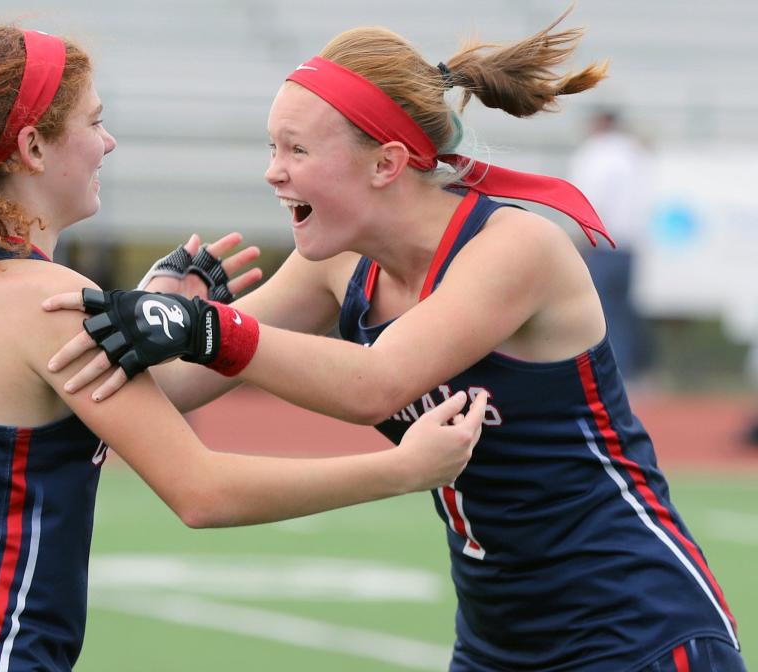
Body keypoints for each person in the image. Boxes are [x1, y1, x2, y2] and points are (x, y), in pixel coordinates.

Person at [45, 10, 746, 672]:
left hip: (640, 628)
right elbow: (175, 389)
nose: (272, 170)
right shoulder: (335, 264)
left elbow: (374, 384)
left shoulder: (517, 248)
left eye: (296, 149)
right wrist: (156, 311)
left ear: (385, 164)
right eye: (270, 146)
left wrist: (203, 328)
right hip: (498, 641)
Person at [0, 26, 487, 671]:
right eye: (94, 123)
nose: (110, 142)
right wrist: (402, 469)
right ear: (34, 148)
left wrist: (160, 312)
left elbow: (109, 401)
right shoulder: (42, 301)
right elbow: (202, 491)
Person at [568, 108, 654, 380]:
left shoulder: (597, 154)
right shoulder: (634, 154)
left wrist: (583, 239)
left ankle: (604, 373)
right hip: (629, 245)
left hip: (602, 244)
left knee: (599, 312)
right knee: (621, 313)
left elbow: (591, 200)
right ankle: (626, 371)